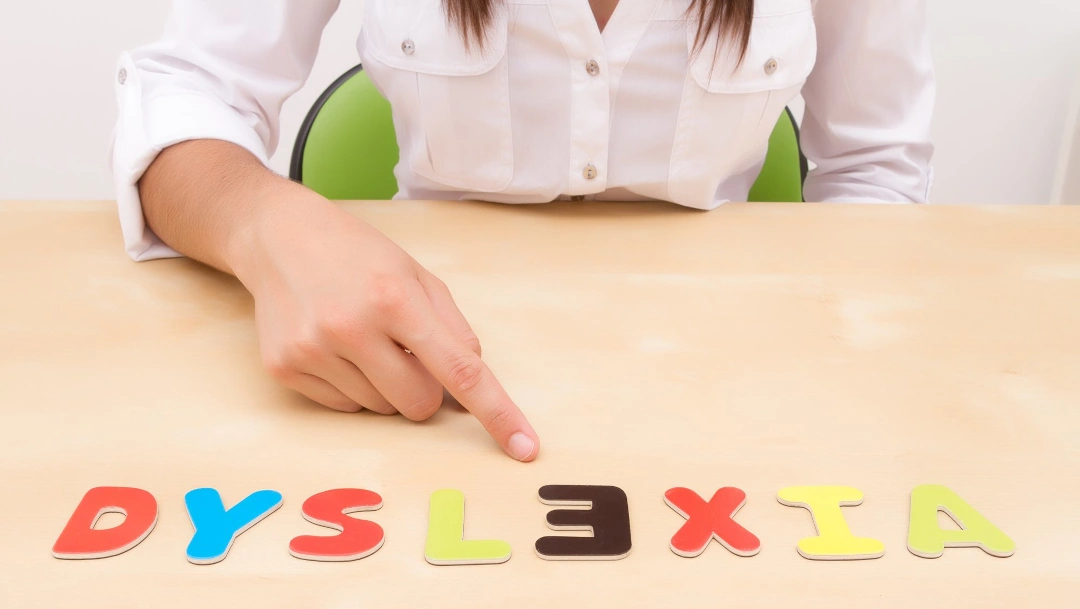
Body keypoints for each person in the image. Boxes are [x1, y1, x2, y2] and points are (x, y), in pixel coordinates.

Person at [112, 0, 934, 463]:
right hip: (412, 393)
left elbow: (875, 168)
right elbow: (186, 91)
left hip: (737, 406)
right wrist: (266, 221)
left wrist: (834, 387)